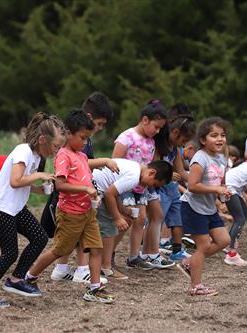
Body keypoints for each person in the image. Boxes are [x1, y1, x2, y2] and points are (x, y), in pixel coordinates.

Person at [26, 109, 119, 303]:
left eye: (87, 139)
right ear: (68, 132)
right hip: (70, 213)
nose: (85, 142)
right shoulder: (63, 156)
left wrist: (93, 191)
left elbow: (86, 177)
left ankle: (94, 289)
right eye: (82, 138)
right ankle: (30, 276)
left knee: (96, 248)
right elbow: (60, 185)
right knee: (59, 250)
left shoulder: (82, 156)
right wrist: (85, 189)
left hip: (87, 212)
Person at [0, 112, 65, 307]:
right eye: (55, 146)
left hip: (15, 208)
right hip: (1, 208)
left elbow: (21, 183)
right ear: (43, 139)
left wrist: (39, 189)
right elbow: (15, 180)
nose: (56, 151)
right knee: (10, 253)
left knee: (40, 238)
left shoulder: (36, 156)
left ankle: (16, 279)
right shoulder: (23, 151)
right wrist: (40, 176)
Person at [49, 92, 115, 283]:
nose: (100, 128)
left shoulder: (84, 138)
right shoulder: (74, 143)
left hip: (79, 194)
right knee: (71, 236)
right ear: (88, 118)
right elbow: (78, 167)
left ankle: (64, 269)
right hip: (70, 196)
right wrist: (105, 161)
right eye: (99, 123)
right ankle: (80, 269)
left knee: (72, 236)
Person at [177, 117, 231, 296]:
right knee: (203, 245)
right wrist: (216, 188)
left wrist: (222, 192)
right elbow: (192, 185)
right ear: (202, 140)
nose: (219, 139)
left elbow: (219, 180)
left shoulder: (222, 157)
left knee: (224, 240)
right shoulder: (200, 158)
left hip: (208, 207)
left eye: (222, 135)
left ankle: (189, 262)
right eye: (214, 135)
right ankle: (196, 286)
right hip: (193, 207)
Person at [112, 99, 168, 270]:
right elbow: (115, 162)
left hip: (141, 187)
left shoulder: (151, 141)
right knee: (127, 219)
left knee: (141, 219)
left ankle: (134, 256)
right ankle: (109, 252)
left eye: (160, 128)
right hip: (125, 185)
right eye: (156, 127)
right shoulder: (126, 137)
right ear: (145, 120)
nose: (157, 131)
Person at [94, 159, 173, 279]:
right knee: (109, 229)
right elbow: (109, 193)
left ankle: (99, 265)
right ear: (151, 173)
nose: (150, 186)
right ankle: (105, 268)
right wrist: (117, 218)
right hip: (97, 190)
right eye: (154, 184)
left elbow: (114, 192)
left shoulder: (134, 168)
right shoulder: (134, 177)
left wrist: (124, 211)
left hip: (97, 188)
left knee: (106, 229)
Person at [145, 114, 196, 263]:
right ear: (174, 132)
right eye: (183, 140)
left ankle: (176, 250)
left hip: (173, 190)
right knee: (156, 220)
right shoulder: (159, 145)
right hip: (160, 188)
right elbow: (154, 168)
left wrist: (197, 182)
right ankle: (149, 252)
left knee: (177, 219)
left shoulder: (176, 148)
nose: (183, 144)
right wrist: (168, 174)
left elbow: (181, 171)